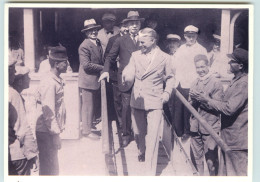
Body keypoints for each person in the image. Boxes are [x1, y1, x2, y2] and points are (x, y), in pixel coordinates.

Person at [122, 28, 175, 175]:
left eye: (143, 42)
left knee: (152, 136)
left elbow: (170, 78)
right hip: (138, 98)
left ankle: (150, 171)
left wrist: (167, 93)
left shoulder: (165, 58)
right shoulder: (135, 55)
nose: (140, 45)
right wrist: (126, 75)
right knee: (138, 132)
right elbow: (130, 69)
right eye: (139, 42)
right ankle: (141, 150)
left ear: (153, 41)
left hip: (155, 99)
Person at [191, 48, 248, 176]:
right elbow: (224, 103)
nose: (228, 63)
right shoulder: (236, 80)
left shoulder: (243, 83)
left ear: (240, 66)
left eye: (232, 61)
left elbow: (228, 109)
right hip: (229, 138)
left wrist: (206, 99)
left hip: (237, 140)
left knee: (238, 174)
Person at [99, 11, 144, 147]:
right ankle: (125, 134)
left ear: (140, 24)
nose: (134, 26)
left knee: (141, 107)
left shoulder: (145, 39)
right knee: (125, 107)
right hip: (125, 79)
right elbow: (110, 57)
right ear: (127, 26)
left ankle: (140, 134)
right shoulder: (120, 40)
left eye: (136, 23)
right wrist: (106, 71)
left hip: (142, 79)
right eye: (132, 24)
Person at [189, 54, 224, 176]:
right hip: (195, 128)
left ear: (208, 66)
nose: (200, 70)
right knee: (197, 161)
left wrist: (204, 99)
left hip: (210, 128)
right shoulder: (194, 83)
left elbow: (219, 106)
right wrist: (193, 100)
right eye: (197, 67)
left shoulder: (216, 83)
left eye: (203, 67)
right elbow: (190, 105)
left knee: (211, 162)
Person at [35, 46, 68, 175]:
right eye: (64, 62)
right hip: (46, 132)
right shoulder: (49, 83)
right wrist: (55, 135)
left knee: (51, 168)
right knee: (50, 170)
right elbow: (49, 113)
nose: (67, 64)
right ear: (56, 64)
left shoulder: (56, 79)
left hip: (48, 131)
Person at [172, 25, 207, 141]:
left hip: (192, 83)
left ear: (196, 36)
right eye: (188, 37)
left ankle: (187, 132)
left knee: (189, 110)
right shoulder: (181, 48)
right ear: (184, 36)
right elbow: (174, 64)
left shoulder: (201, 50)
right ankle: (178, 131)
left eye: (193, 36)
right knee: (178, 109)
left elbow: (204, 68)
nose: (190, 39)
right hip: (179, 83)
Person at [9, 59, 38, 175]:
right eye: (12, 71)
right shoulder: (13, 95)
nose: (30, 79)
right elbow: (22, 128)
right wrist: (32, 153)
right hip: (17, 155)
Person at [78, 19, 103, 140]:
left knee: (92, 105)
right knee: (87, 106)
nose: (93, 32)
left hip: (94, 79)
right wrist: (103, 68)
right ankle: (86, 131)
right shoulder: (84, 45)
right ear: (86, 33)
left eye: (95, 29)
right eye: (90, 31)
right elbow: (86, 65)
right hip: (87, 80)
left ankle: (90, 126)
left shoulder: (97, 42)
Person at [104, 20, 129, 127]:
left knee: (128, 102)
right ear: (119, 28)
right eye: (123, 26)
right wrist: (116, 59)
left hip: (129, 76)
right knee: (118, 101)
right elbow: (107, 57)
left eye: (126, 26)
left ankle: (128, 124)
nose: (125, 28)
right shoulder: (113, 39)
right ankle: (121, 123)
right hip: (116, 75)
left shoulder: (132, 40)